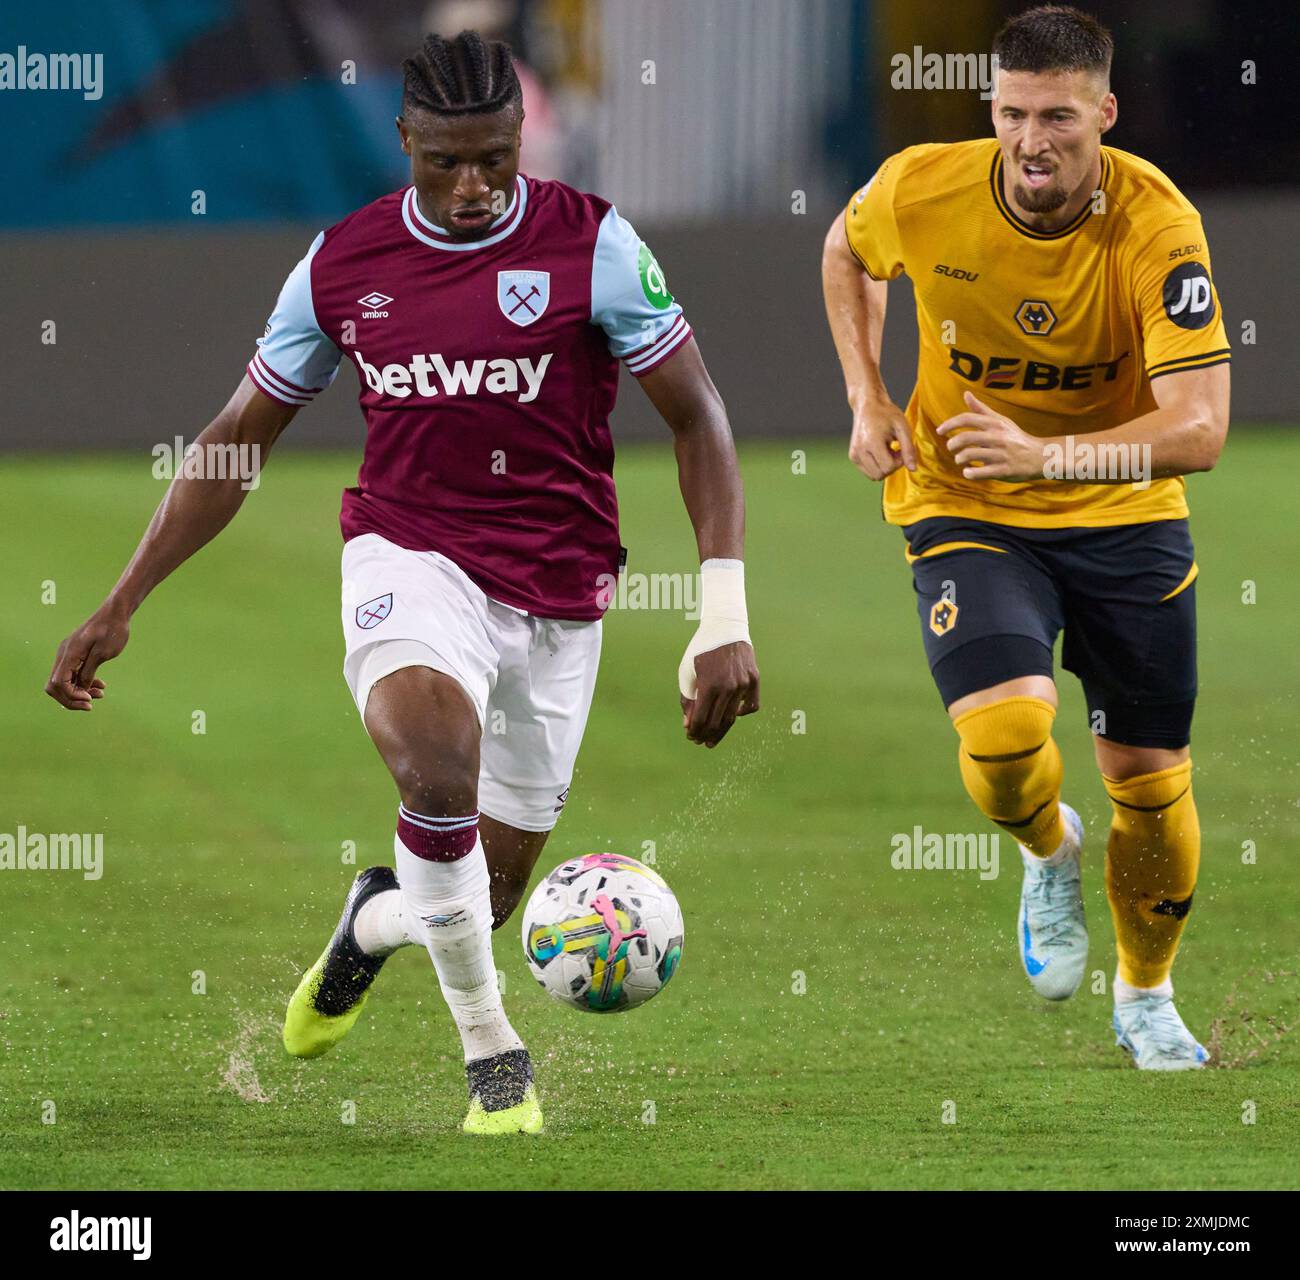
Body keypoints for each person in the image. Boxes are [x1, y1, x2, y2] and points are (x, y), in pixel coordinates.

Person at [45, 30, 760, 1131]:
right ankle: (495, 1058)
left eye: (493, 159)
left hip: (561, 593)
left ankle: (367, 924)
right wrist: (124, 596)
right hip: (408, 553)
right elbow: (240, 435)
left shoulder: (596, 247)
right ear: (404, 142)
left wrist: (721, 613)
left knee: (481, 894)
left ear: (522, 137)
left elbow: (698, 416)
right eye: (444, 162)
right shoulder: (344, 263)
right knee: (435, 774)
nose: (471, 188)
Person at [821, 5, 1229, 1069]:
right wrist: (867, 395)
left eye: (1056, 115)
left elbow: (1198, 429)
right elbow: (846, 248)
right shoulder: (922, 185)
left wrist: (1051, 458)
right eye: (1010, 113)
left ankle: (1146, 997)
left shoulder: (1157, 223)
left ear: (1104, 111)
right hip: (966, 502)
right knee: (1005, 743)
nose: (1030, 140)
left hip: (1123, 517)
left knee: (1147, 781)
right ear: (989, 108)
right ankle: (1047, 852)